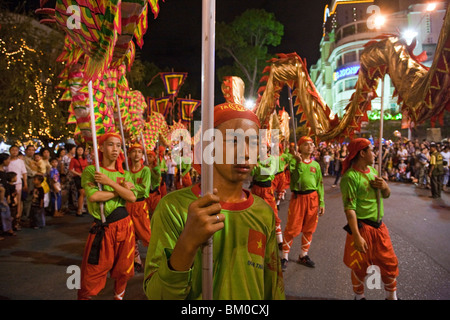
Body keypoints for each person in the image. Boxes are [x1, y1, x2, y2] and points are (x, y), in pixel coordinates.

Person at [143, 102, 285, 300]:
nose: (245, 153)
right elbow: (157, 294)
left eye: (253, 143)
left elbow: (273, 286)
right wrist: (187, 244)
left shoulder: (263, 212)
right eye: (233, 141)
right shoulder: (174, 208)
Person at [78, 132, 137, 300]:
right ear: (102, 147)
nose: (115, 149)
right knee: (93, 272)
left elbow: (132, 197)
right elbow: (94, 196)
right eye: (111, 144)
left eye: (118, 145)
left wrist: (110, 183)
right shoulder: (92, 171)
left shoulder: (124, 174)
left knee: (124, 269)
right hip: (103, 227)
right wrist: (120, 190)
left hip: (125, 225)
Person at [340, 138, 399, 300]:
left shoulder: (374, 172)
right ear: (362, 153)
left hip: (379, 228)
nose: (374, 154)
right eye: (371, 150)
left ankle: (391, 297)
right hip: (362, 228)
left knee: (389, 263)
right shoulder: (350, 177)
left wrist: (385, 186)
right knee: (360, 266)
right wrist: (357, 236)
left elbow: (386, 195)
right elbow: (350, 210)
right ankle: (359, 297)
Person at [281, 136, 325, 270]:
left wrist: (321, 202)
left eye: (312, 144)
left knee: (309, 228)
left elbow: (319, 184)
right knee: (292, 228)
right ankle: (284, 257)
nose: (310, 147)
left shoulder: (315, 165)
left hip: (312, 199)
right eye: (306, 144)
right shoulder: (294, 162)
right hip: (298, 198)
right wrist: (298, 162)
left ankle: (303, 255)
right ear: (300, 147)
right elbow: (295, 179)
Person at [126, 143, 151, 272]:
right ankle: (136, 260)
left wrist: (130, 188)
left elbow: (145, 191)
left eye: (139, 152)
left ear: (142, 155)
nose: (136, 154)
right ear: (129, 154)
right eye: (134, 151)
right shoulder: (126, 171)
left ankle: (157, 259)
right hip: (127, 205)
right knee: (130, 235)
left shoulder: (145, 170)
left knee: (147, 234)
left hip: (140, 206)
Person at [250, 147, 283, 246]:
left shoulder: (272, 159)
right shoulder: (257, 158)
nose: (261, 149)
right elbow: (252, 173)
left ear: (268, 149)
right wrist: (255, 166)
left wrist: (257, 167)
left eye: (263, 147)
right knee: (256, 215)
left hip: (267, 190)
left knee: (273, 214)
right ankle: (258, 239)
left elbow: (269, 172)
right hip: (256, 189)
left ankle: (279, 240)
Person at [6, 145, 28, 224]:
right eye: (13, 150)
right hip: (8, 184)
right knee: (10, 201)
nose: (14, 151)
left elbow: (24, 173)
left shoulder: (20, 161)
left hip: (18, 182)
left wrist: (25, 183)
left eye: (16, 150)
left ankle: (18, 218)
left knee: (18, 201)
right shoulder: (7, 161)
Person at [69, 145, 88, 216]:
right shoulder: (73, 159)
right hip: (77, 177)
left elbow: (87, 167)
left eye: (81, 150)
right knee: (82, 192)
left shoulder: (84, 159)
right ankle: (79, 210)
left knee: (84, 193)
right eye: (78, 150)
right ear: (76, 151)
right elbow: (70, 169)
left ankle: (81, 208)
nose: (80, 151)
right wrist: (78, 174)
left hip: (84, 176)